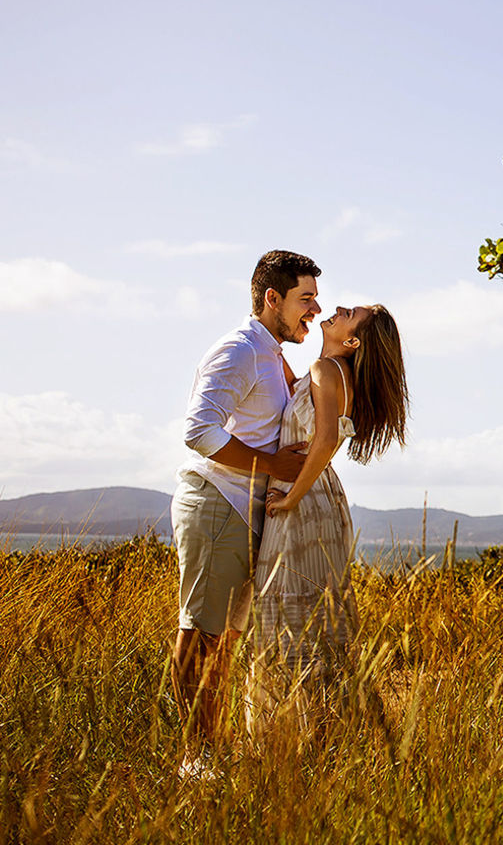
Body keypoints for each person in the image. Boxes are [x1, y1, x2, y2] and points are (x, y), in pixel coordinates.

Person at [171, 250, 319, 779]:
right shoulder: (239, 350)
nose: (315, 310)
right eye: (306, 298)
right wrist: (273, 464)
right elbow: (199, 431)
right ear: (272, 298)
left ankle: (213, 750)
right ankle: (196, 760)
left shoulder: (271, 355)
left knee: (225, 642)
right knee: (201, 634)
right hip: (218, 504)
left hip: (246, 512)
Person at [246, 301, 409, 743]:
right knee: (314, 622)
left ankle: (288, 738)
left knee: (286, 617)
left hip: (303, 497)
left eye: (350, 313)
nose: (337, 308)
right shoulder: (334, 374)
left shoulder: (325, 370)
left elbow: (326, 438)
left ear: (352, 341)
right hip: (322, 499)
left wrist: (290, 497)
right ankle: (332, 734)